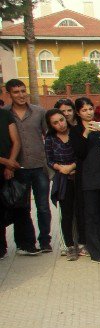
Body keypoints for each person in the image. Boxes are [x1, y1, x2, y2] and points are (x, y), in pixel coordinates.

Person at [6, 79, 52, 252]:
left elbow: (49, 135)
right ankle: (26, 243)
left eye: (23, 91)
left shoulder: (39, 112)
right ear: (9, 93)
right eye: (16, 92)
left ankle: (45, 241)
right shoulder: (5, 113)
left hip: (39, 167)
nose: (21, 95)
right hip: (18, 168)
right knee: (22, 209)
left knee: (43, 207)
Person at [72, 96, 100, 264]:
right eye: (84, 110)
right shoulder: (76, 131)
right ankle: (97, 251)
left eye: (90, 109)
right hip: (89, 179)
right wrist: (86, 133)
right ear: (78, 112)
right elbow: (79, 152)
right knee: (92, 216)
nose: (88, 112)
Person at [43, 108, 84, 259]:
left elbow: (82, 153)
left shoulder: (76, 132)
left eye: (61, 120)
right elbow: (49, 160)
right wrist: (61, 168)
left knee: (81, 211)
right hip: (63, 179)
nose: (60, 124)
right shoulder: (50, 139)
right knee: (66, 214)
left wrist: (72, 167)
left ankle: (82, 243)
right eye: (55, 123)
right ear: (51, 125)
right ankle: (69, 245)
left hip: (79, 176)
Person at [0, 96, 34, 259]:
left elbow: (16, 141)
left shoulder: (5, 115)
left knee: (21, 207)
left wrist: (9, 164)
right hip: (8, 164)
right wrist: (6, 162)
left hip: (11, 169)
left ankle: (25, 244)